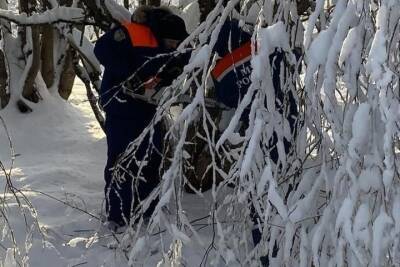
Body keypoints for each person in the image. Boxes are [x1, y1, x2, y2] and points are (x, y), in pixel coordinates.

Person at [210, 18, 299, 266]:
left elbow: (225, 98)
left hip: (257, 136)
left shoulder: (223, 69)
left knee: (261, 196)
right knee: (287, 187)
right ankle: (286, 247)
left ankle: (268, 254)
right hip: (288, 125)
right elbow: (296, 62)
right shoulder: (270, 45)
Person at [94, 6, 189, 228]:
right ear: (160, 35)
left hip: (149, 108)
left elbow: (186, 57)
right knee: (123, 159)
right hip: (121, 105)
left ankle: (148, 209)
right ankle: (118, 216)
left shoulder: (176, 38)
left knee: (151, 156)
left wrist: (172, 72)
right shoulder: (133, 33)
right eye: (171, 44)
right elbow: (101, 49)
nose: (174, 47)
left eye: (176, 44)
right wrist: (130, 75)